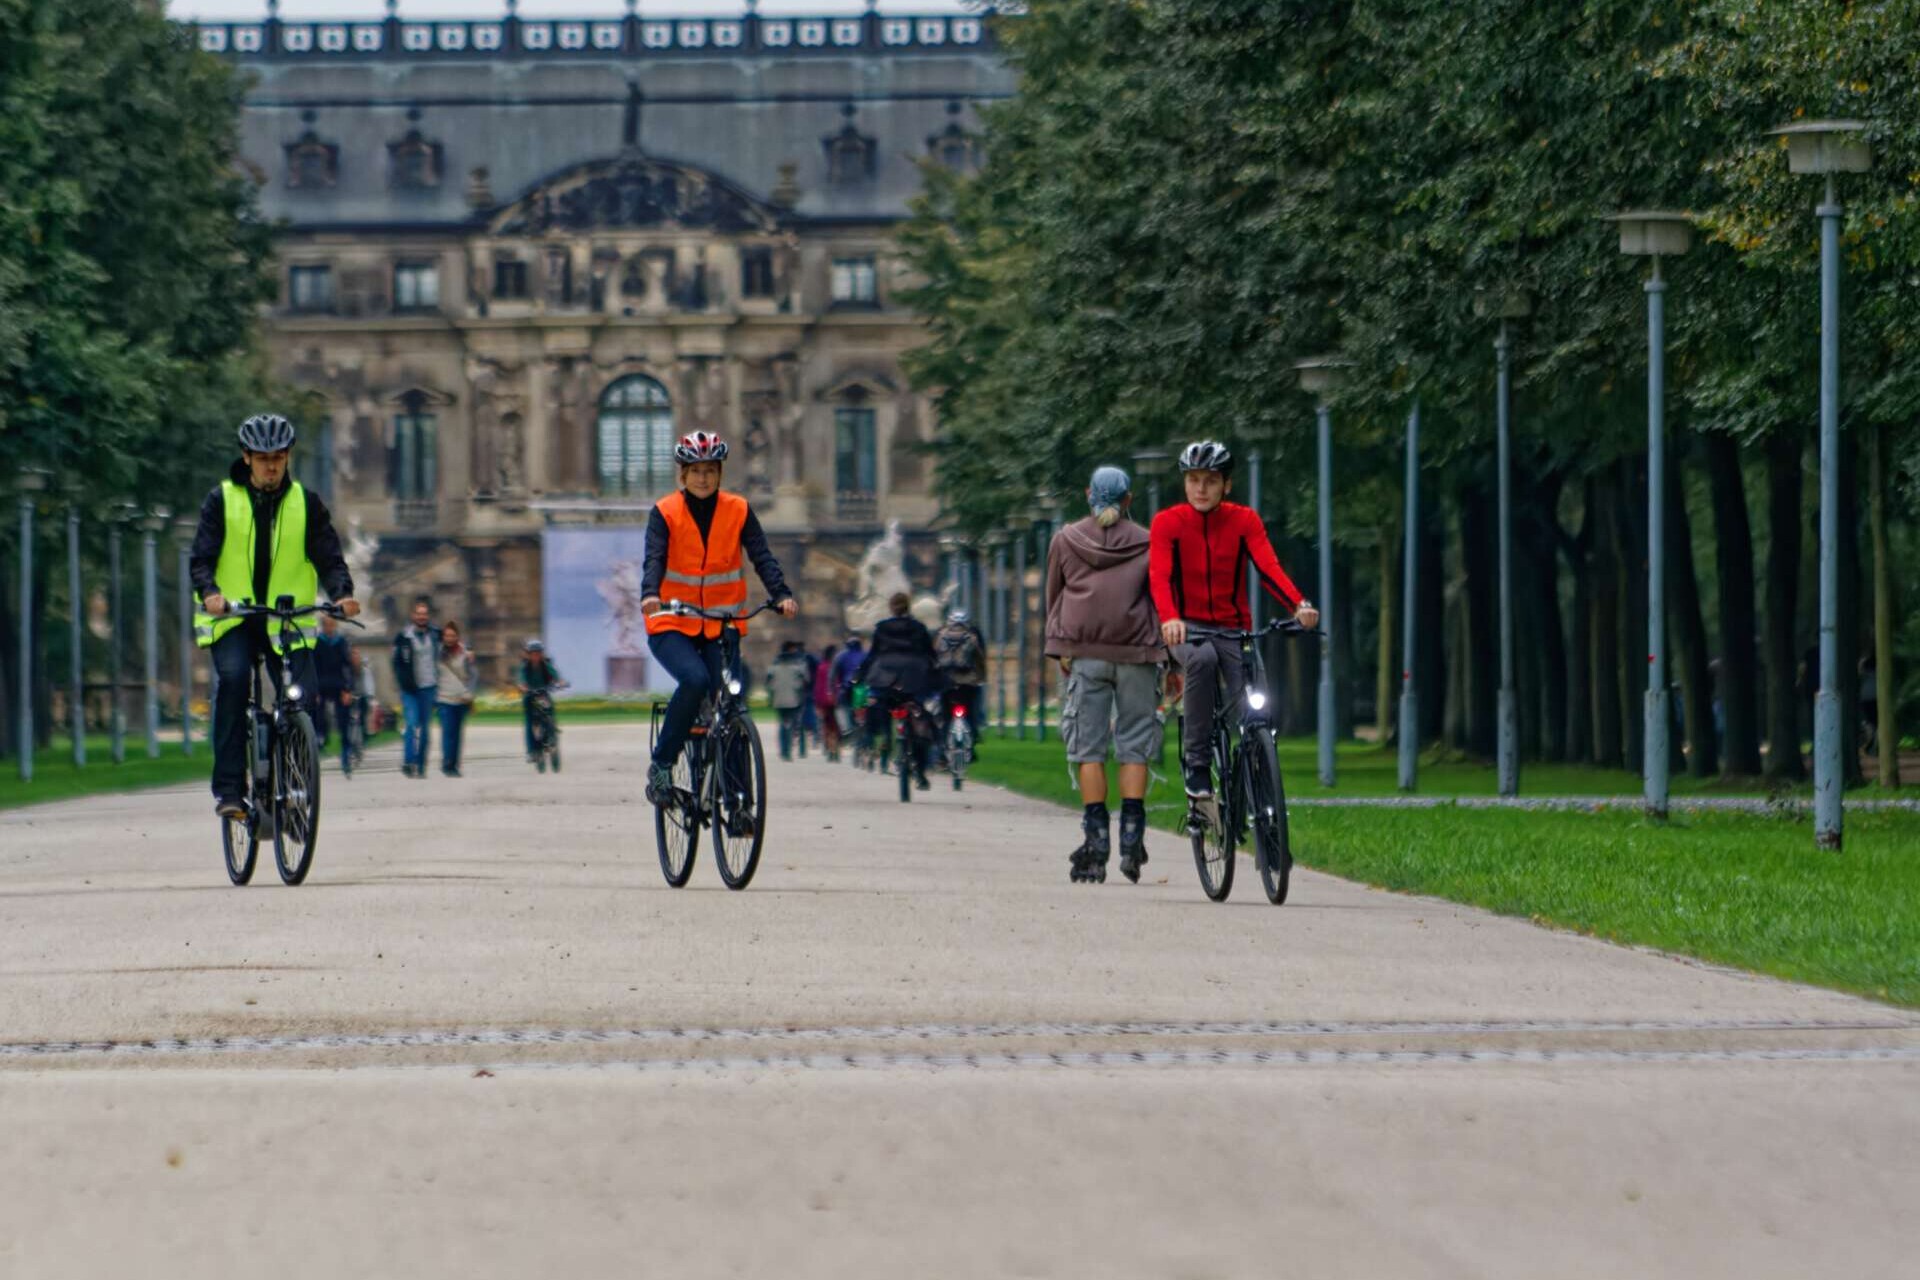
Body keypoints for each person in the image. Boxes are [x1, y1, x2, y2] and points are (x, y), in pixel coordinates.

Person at [190, 413, 359, 819]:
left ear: (288, 457)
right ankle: (230, 789)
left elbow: (328, 557)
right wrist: (210, 593)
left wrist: (343, 594)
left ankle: (295, 790)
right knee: (233, 681)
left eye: (279, 457)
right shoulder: (222, 500)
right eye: (263, 457)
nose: (271, 466)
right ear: (246, 457)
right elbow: (201, 559)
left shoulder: (307, 503)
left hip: (287, 621)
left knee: (303, 695)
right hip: (235, 619)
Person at [1149, 440, 1319, 802]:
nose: (1201, 489)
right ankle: (1197, 765)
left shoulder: (1244, 520)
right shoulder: (1168, 523)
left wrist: (1298, 604)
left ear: (1226, 485)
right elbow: (1160, 577)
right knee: (1202, 660)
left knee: (1254, 708)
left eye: (1210, 480)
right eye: (1193, 480)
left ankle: (1259, 767)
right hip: (1186, 628)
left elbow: (1268, 567)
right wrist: (1170, 619)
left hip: (1233, 628)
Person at [640, 432, 799, 804]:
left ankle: (738, 800)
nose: (704, 478)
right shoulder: (664, 512)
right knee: (695, 680)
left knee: (731, 706)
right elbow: (655, 558)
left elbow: (762, 556)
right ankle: (662, 765)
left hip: (721, 624)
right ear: (683, 474)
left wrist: (781, 594)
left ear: (720, 472)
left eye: (710, 470)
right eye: (696, 471)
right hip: (672, 623)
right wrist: (650, 593)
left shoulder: (739, 510)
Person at [1047, 466, 1166, 884]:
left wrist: (1059, 646)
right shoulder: (1150, 541)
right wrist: (1168, 658)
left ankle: (1096, 844)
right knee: (1135, 742)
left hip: (1084, 653)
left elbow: (1054, 596)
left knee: (1088, 747)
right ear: (1129, 500)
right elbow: (1160, 598)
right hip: (1137, 652)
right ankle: (1132, 837)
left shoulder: (1065, 539)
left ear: (1087, 495)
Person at [856, 592, 939, 790]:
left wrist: (858, 676)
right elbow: (929, 655)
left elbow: (872, 656)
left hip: (886, 680)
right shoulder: (919, 628)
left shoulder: (882, 628)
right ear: (909, 607)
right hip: (914, 679)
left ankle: (878, 742)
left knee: (877, 708)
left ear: (891, 607)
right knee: (921, 723)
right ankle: (920, 771)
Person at [391, 597, 440, 778]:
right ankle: (409, 761)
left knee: (425, 728)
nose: (421, 617)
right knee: (411, 724)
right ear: (413, 615)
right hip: (410, 689)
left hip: (429, 687)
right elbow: (395, 662)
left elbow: (452, 643)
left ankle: (421, 764)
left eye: (424, 614)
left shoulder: (435, 635)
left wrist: (468, 651)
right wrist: (402, 681)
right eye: (418, 614)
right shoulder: (403, 636)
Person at [934, 608, 989, 752]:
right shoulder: (972, 636)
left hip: (945, 681)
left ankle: (943, 750)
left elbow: (934, 657)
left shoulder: (941, 635)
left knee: (945, 716)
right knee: (971, 712)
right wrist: (981, 677)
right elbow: (980, 659)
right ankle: (972, 744)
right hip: (968, 682)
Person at [312, 612, 357, 774]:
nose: (330, 627)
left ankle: (346, 752)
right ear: (323, 626)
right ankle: (321, 739)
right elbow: (314, 667)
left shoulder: (341, 642)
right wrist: (314, 690)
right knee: (318, 715)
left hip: (339, 684)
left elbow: (348, 667)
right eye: (327, 624)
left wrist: (348, 689)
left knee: (343, 719)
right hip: (322, 685)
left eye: (332, 624)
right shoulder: (317, 642)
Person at [436, 621, 477, 777]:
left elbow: (473, 675)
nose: (449, 638)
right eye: (447, 635)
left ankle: (454, 764)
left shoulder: (465, 653)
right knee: (448, 732)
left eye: (452, 635)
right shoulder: (437, 652)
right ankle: (447, 764)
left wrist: (470, 693)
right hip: (444, 698)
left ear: (457, 636)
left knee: (458, 734)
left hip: (461, 698)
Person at [516, 639, 566, 759]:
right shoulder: (525, 667)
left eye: (538, 653)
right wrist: (523, 687)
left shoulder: (545, 664)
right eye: (533, 653)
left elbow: (555, 675)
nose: (536, 656)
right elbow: (521, 680)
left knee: (550, 711)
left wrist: (560, 682)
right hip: (530, 696)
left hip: (543, 694)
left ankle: (551, 732)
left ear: (542, 653)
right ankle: (531, 751)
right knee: (529, 722)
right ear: (528, 654)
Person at [767, 639, 811, 761]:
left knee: (783, 723)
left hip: (779, 698)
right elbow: (806, 680)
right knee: (792, 724)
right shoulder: (798, 664)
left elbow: (769, 682)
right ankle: (793, 749)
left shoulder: (775, 665)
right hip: (793, 698)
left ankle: (784, 750)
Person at [814, 643, 843, 761]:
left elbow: (819, 686)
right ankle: (836, 748)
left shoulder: (822, 667)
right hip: (835, 700)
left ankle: (830, 748)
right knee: (836, 726)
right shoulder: (837, 667)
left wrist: (817, 702)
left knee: (827, 726)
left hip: (824, 702)